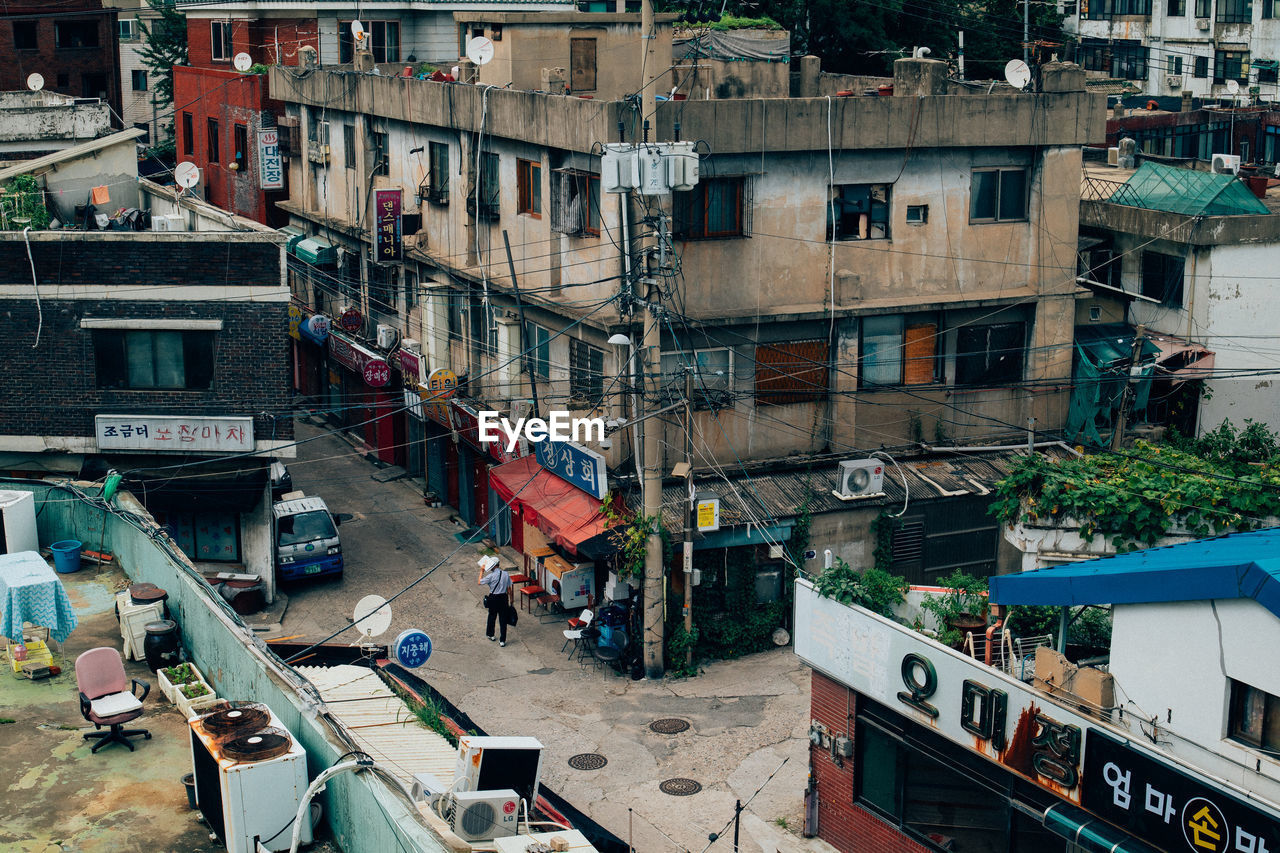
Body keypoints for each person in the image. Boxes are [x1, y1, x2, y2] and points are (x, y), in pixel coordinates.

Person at [477, 556, 512, 646]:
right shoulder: (506, 574)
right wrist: (511, 600)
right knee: (503, 619)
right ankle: (502, 640)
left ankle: (491, 634)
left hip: (493, 598)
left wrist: (482, 571)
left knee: (492, 616)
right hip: (503, 598)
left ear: (493, 565)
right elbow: (509, 588)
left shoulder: (491, 576)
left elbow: (480, 582)